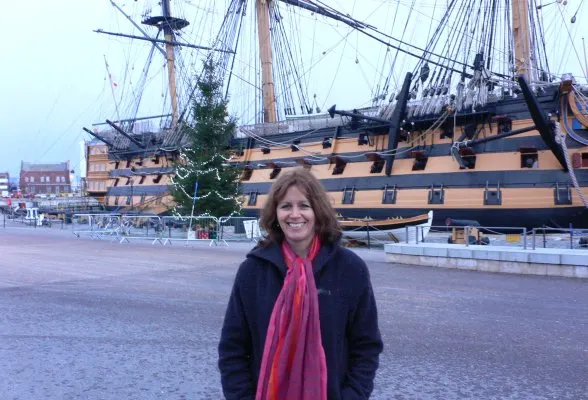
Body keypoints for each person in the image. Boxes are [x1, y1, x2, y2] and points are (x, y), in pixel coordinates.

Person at [218, 167, 383, 400]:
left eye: (304, 205)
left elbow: (366, 346)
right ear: (275, 213)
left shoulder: (350, 269)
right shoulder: (253, 271)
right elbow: (232, 349)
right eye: (286, 206)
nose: (295, 215)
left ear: (318, 211)